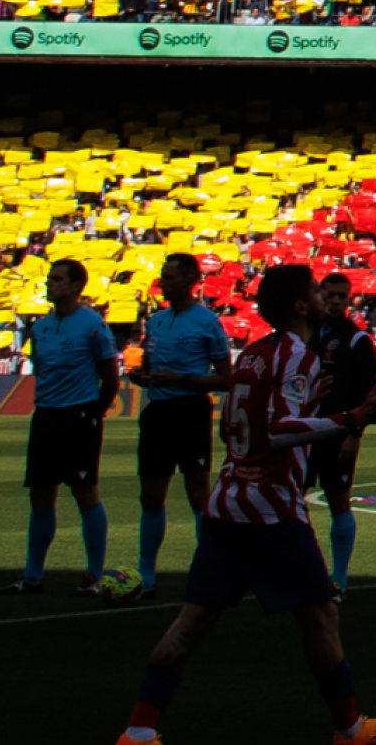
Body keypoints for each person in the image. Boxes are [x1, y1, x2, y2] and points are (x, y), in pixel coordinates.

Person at [111, 263, 376, 745]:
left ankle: (139, 730)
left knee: (193, 620)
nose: (321, 297)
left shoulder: (253, 353)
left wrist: (312, 406)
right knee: (320, 616)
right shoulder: (299, 355)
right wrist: (355, 416)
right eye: (315, 291)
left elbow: (234, 424)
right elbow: (278, 431)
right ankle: (350, 727)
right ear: (300, 305)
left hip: (226, 500)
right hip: (269, 508)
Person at [17, 258, 125, 594]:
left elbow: (110, 376)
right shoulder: (40, 327)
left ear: (77, 286)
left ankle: (93, 575)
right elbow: (41, 369)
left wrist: (97, 412)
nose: (51, 284)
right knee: (41, 495)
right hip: (46, 415)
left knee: (85, 492)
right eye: (50, 279)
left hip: (79, 416)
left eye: (58, 279)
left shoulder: (92, 324)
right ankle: (32, 576)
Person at [123, 253, 225, 601]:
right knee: (151, 495)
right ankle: (147, 575)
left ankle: (208, 571)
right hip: (158, 411)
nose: (162, 283)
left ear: (189, 280)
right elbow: (150, 367)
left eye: (168, 277)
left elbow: (226, 378)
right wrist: (142, 376)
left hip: (191, 411)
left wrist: (181, 378)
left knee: (198, 493)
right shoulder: (156, 321)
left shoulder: (207, 322)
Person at [297, 274, 376, 585]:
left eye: (340, 296)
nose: (333, 301)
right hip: (302, 432)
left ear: (349, 300)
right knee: (292, 499)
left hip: (337, 432)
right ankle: (302, 569)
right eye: (328, 295)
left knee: (338, 501)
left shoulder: (357, 341)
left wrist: (354, 437)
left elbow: (367, 394)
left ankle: (339, 579)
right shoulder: (305, 336)